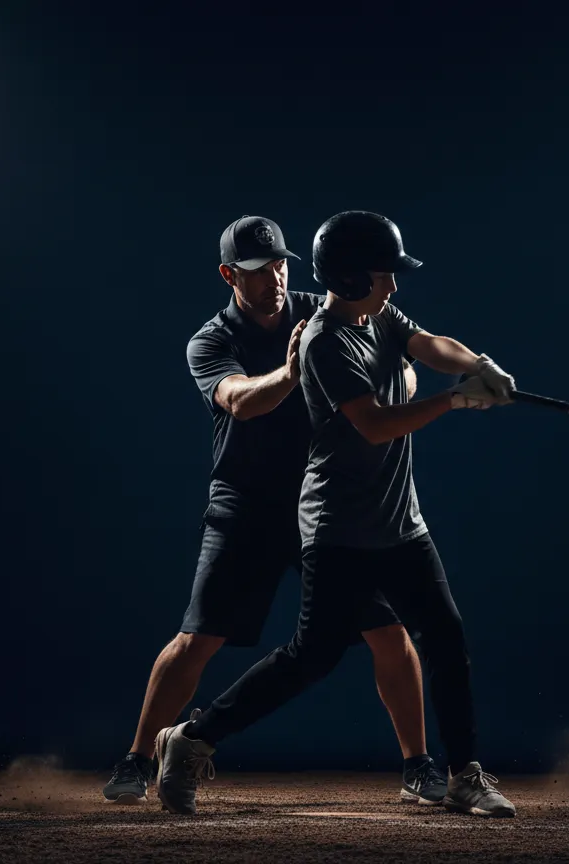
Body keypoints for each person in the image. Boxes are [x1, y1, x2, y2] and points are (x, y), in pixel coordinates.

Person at [155, 210, 518, 818]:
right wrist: (454, 401)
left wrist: (476, 364)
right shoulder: (324, 340)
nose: (394, 287)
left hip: (401, 524)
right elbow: (375, 425)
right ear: (350, 280)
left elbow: (428, 343)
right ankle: (192, 739)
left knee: (445, 638)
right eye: (384, 275)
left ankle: (462, 774)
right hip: (339, 532)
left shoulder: (379, 315)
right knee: (309, 659)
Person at [102, 215, 442, 808]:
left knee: (390, 633)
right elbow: (239, 402)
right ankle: (137, 758)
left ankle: (420, 767)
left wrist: (403, 383)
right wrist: (293, 370)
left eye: (281, 264)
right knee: (199, 638)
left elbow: (401, 354)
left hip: (327, 505)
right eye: (259, 271)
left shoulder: (324, 307)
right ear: (229, 274)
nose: (275, 279)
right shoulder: (210, 341)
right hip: (247, 502)